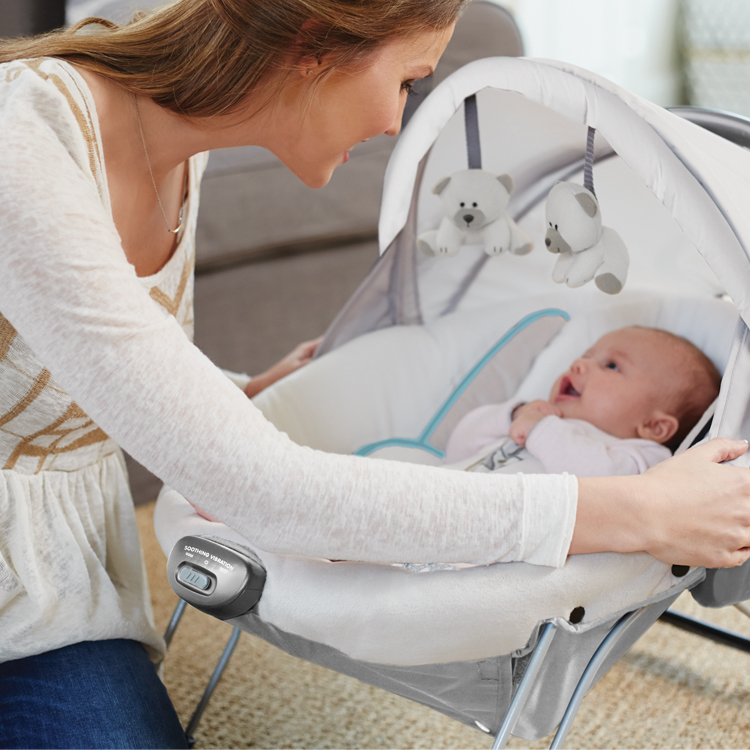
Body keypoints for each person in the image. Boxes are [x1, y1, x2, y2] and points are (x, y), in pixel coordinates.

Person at [0, 1, 749, 747]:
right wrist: (640, 512)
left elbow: (69, 360)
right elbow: (272, 495)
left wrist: (227, 401)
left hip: (58, 591)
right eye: (408, 80)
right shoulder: (26, 141)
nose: (397, 122)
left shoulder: (172, 151)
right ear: (315, 45)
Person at [444, 326, 721, 474]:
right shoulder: (537, 417)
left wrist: (540, 430)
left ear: (654, 427)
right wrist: (516, 415)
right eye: (586, 355)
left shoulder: (643, 458)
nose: (579, 363)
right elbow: (457, 450)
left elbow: (600, 485)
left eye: (611, 365)